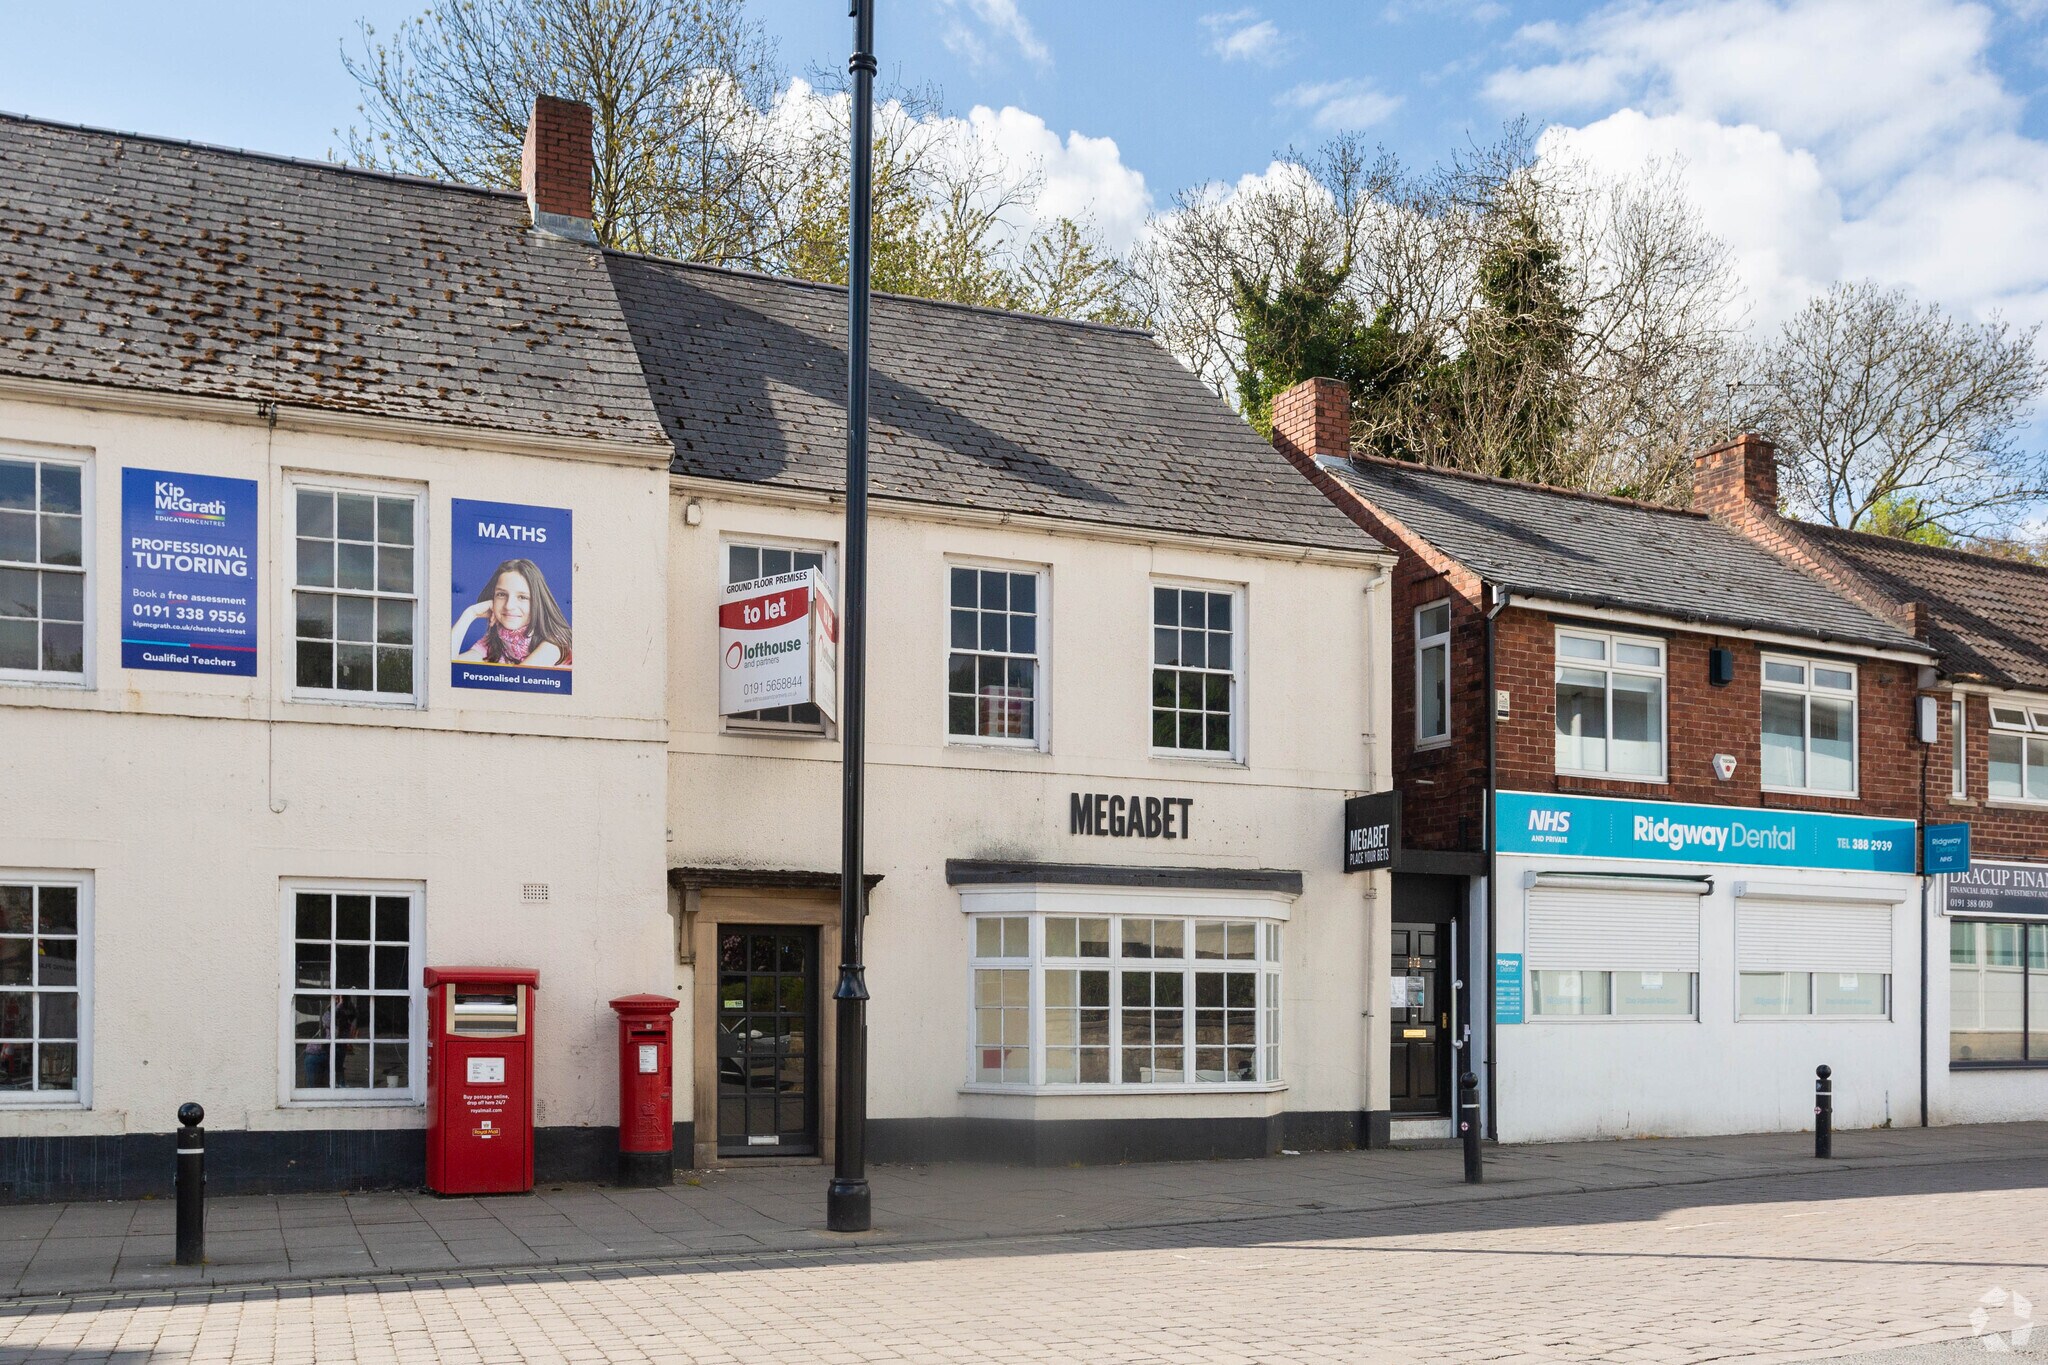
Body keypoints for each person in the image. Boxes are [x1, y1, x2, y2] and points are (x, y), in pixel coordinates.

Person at [452, 558, 572, 667]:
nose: (509, 606)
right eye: (501, 595)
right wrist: (470, 614)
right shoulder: (495, 641)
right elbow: (445, 669)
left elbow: (518, 681)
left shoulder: (554, 643)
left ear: (538, 603)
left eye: (522, 597)